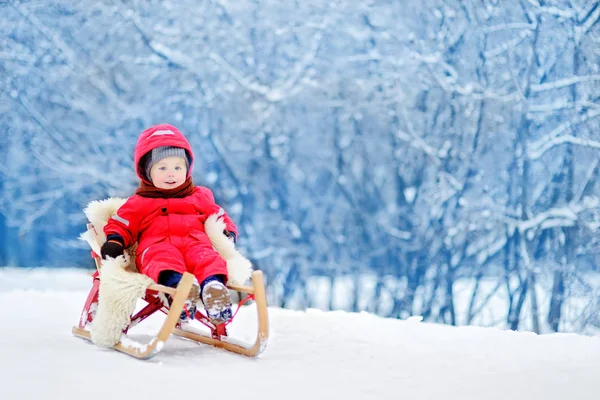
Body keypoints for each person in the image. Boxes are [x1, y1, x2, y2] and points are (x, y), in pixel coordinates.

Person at [100, 123, 237, 324]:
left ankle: (213, 290)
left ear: (187, 169)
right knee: (162, 260)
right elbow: (122, 223)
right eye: (162, 168)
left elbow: (218, 215)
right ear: (147, 172)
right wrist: (115, 240)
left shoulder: (199, 196)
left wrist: (227, 232)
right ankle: (179, 291)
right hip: (157, 246)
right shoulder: (139, 202)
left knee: (208, 258)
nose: (171, 174)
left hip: (195, 244)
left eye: (177, 167)